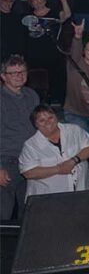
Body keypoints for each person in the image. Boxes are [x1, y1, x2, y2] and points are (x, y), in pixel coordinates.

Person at [19, 105, 89, 198]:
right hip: (47, 198)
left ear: (56, 117)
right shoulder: (30, 145)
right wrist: (58, 169)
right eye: (42, 120)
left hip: (81, 191)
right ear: (36, 124)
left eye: (50, 117)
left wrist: (73, 161)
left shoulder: (74, 130)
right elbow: (28, 172)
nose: (47, 122)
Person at [1, 55, 39, 220]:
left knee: (29, 212)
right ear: (3, 76)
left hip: (31, 161)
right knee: (4, 213)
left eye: (22, 71)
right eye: (13, 73)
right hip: (7, 162)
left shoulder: (32, 95)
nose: (19, 75)